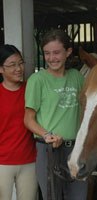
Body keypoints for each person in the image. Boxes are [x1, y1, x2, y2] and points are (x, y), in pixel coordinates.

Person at [24, 29, 88, 200]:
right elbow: (28, 119)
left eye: (56, 52)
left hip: (76, 149)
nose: (52, 58)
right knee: (52, 197)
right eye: (47, 53)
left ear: (68, 52)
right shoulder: (37, 80)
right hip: (49, 150)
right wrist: (46, 135)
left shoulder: (77, 77)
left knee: (78, 197)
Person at [0, 44, 37, 200]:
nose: (19, 68)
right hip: (2, 162)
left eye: (21, 63)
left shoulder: (31, 89)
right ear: (0, 69)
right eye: (12, 65)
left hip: (29, 160)